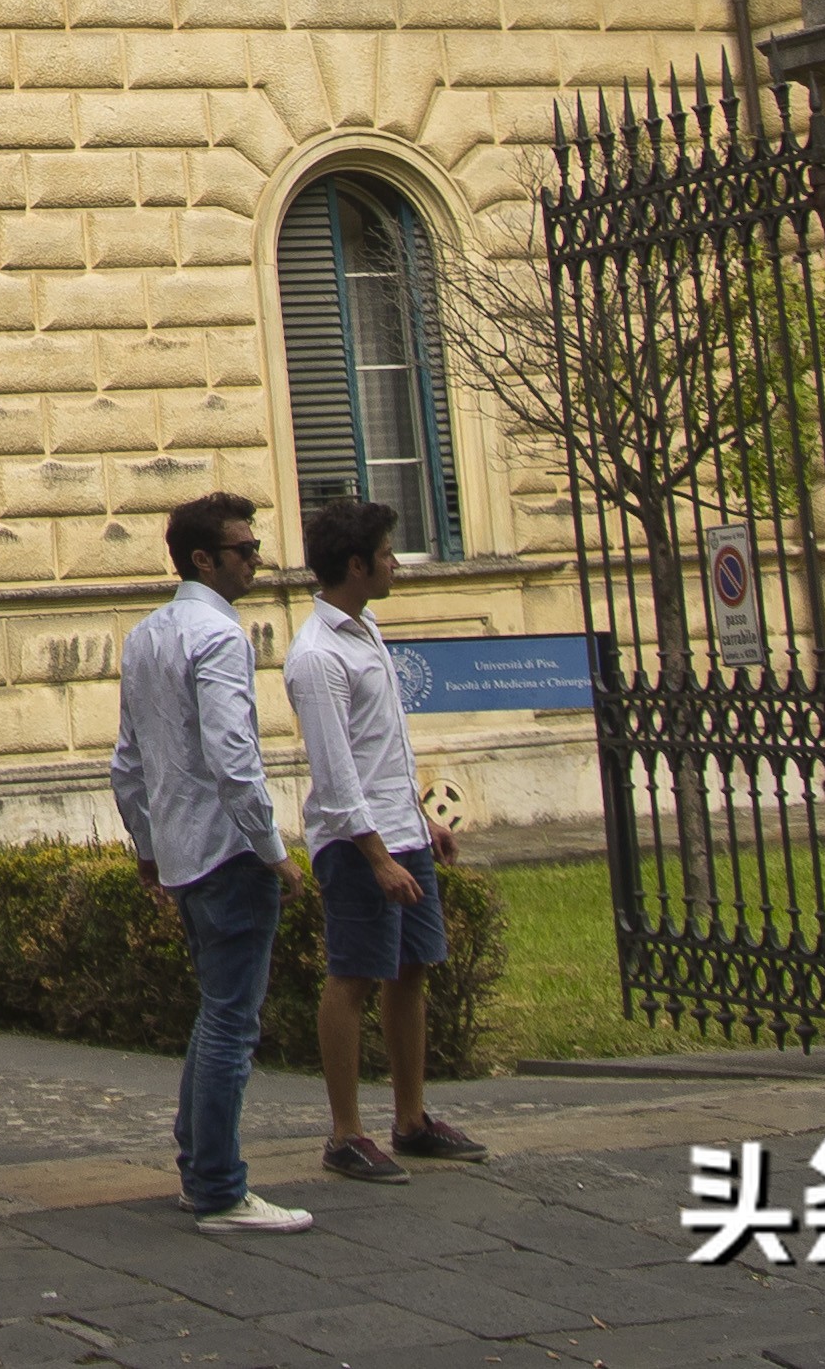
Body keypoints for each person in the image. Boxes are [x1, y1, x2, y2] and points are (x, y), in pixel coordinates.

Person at [110, 491, 305, 1232]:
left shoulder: (148, 635)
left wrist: (151, 850)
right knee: (232, 1021)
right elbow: (233, 755)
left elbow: (128, 763)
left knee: (214, 1015)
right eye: (245, 549)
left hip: (185, 855)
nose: (257, 560)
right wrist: (273, 849)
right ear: (204, 558)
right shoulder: (219, 637)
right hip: (228, 851)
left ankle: (201, 1166)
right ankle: (219, 1185)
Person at [284, 492, 488, 1184]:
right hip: (354, 843)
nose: (395, 563)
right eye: (385, 554)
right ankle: (345, 1132)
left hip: (399, 831)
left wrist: (420, 821)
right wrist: (375, 856)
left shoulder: (364, 628)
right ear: (355, 564)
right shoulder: (316, 655)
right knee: (354, 976)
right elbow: (337, 769)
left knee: (411, 970)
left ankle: (411, 1117)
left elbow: (382, 748)